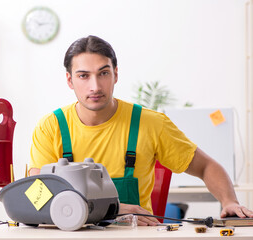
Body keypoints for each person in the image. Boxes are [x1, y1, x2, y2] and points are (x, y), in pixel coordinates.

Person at [29, 35, 253, 226]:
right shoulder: (51, 127)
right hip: (71, 235)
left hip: (137, 234)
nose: (95, 86)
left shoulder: (150, 123)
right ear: (70, 80)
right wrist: (114, 210)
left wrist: (229, 201)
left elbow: (206, 167)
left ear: (116, 74)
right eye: (84, 75)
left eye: (103, 73)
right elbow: (38, 197)